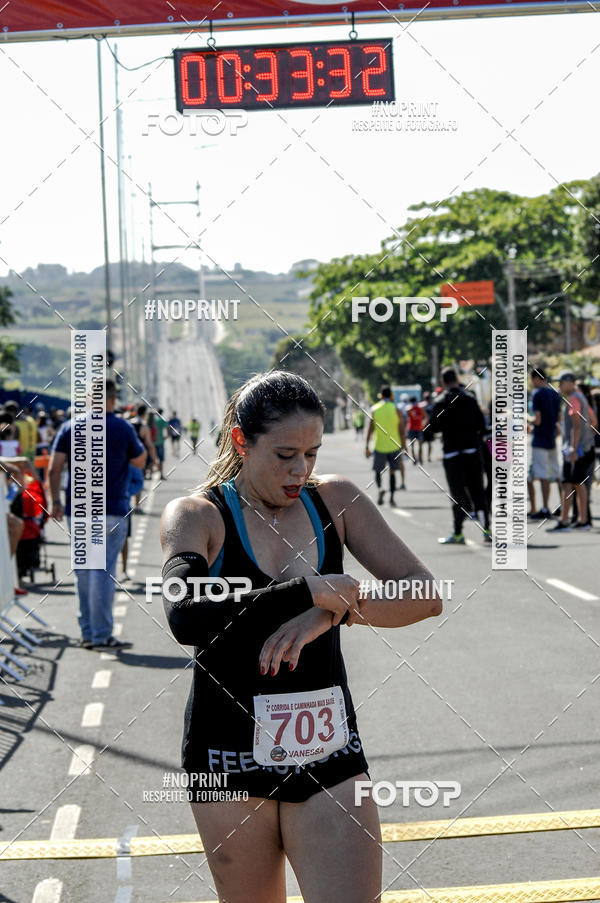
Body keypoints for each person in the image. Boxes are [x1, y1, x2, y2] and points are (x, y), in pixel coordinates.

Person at [160, 370, 442, 903]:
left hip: (327, 749)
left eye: (311, 453)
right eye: (285, 454)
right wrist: (308, 592)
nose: (300, 470)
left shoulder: (334, 500)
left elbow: (425, 595)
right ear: (241, 441)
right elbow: (186, 616)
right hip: (227, 759)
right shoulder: (197, 515)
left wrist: (338, 612)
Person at [49, 379, 146, 649]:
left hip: (78, 511)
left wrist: (55, 500)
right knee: (103, 572)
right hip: (112, 509)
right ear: (113, 400)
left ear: (91, 398)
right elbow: (140, 460)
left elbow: (54, 468)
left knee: (84, 572)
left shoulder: (70, 427)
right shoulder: (122, 427)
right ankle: (102, 635)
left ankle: (88, 632)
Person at [430, 368, 490, 545]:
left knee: (457, 494)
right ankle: (487, 529)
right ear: (457, 378)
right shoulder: (470, 398)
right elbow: (481, 424)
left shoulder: (440, 401)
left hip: (452, 453)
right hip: (472, 450)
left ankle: (458, 532)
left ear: (443, 382)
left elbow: (433, 427)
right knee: (477, 490)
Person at [549, 371, 596, 532]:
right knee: (576, 483)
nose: (559, 386)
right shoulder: (581, 397)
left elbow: (576, 426)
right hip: (586, 448)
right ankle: (583, 520)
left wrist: (574, 449)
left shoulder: (573, 399)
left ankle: (565, 521)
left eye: (561, 383)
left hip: (576, 450)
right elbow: (593, 420)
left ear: (569, 382)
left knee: (568, 483)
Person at [527, 367, 561, 520]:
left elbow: (537, 420)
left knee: (541, 476)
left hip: (540, 439)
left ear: (536, 378)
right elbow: (558, 419)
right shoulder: (555, 394)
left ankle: (544, 507)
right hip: (551, 438)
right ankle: (562, 505)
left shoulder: (537, 394)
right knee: (555, 473)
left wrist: (526, 417)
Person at [365, 385, 406, 505]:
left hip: (379, 446)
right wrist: (404, 446)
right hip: (394, 445)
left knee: (378, 471)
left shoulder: (374, 409)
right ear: (391, 396)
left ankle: (380, 488)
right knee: (393, 472)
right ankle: (392, 498)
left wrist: (367, 446)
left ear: (381, 396)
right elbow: (402, 430)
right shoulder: (397, 409)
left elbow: (370, 429)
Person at [405, 396, 428, 466]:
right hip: (413, 428)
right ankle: (415, 458)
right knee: (414, 445)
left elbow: (426, 417)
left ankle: (419, 458)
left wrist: (423, 424)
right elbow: (408, 418)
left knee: (416, 445)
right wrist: (423, 424)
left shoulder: (418, 408)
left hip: (416, 428)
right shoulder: (410, 409)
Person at [154, 407, 169, 480]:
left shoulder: (153, 419)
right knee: (161, 459)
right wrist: (166, 436)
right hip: (160, 441)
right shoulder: (162, 420)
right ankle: (161, 474)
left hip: (153, 441)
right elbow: (168, 428)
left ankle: (151, 472)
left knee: (154, 458)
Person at [421, 392, 435, 462]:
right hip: (427, 426)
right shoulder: (432, 405)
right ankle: (426, 457)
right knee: (427, 443)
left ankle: (426, 457)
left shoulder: (422, 405)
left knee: (425, 443)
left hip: (426, 426)